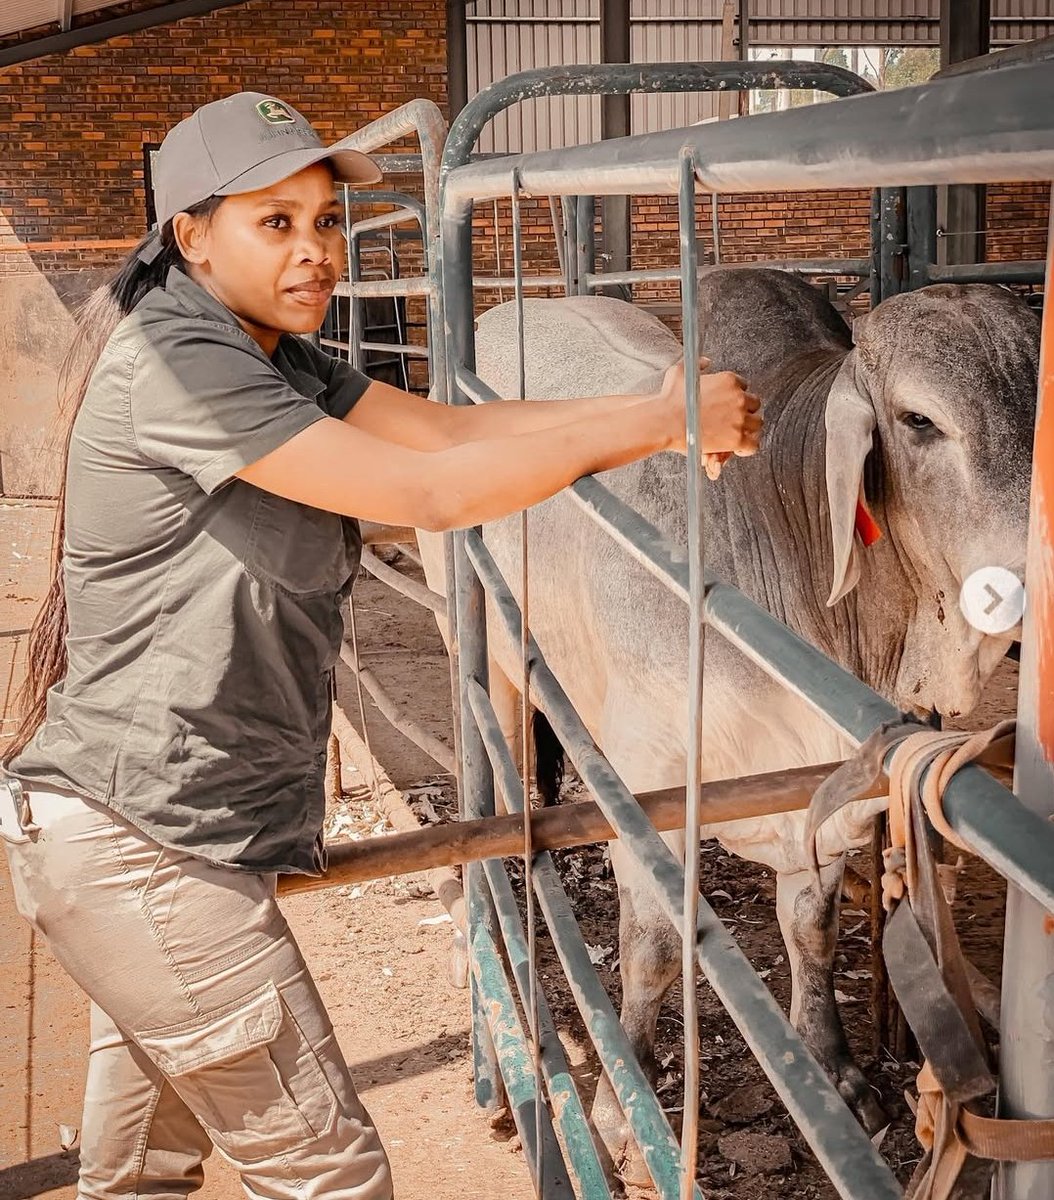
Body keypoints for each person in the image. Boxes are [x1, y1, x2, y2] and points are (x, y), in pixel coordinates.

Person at [0, 92, 761, 1199]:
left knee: (140, 1177)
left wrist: (635, 403)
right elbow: (426, 489)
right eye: (276, 223)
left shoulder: (265, 353)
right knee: (333, 1178)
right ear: (190, 235)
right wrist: (652, 425)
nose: (315, 252)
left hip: (164, 839)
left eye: (327, 221)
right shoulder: (176, 362)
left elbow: (443, 430)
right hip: (147, 854)